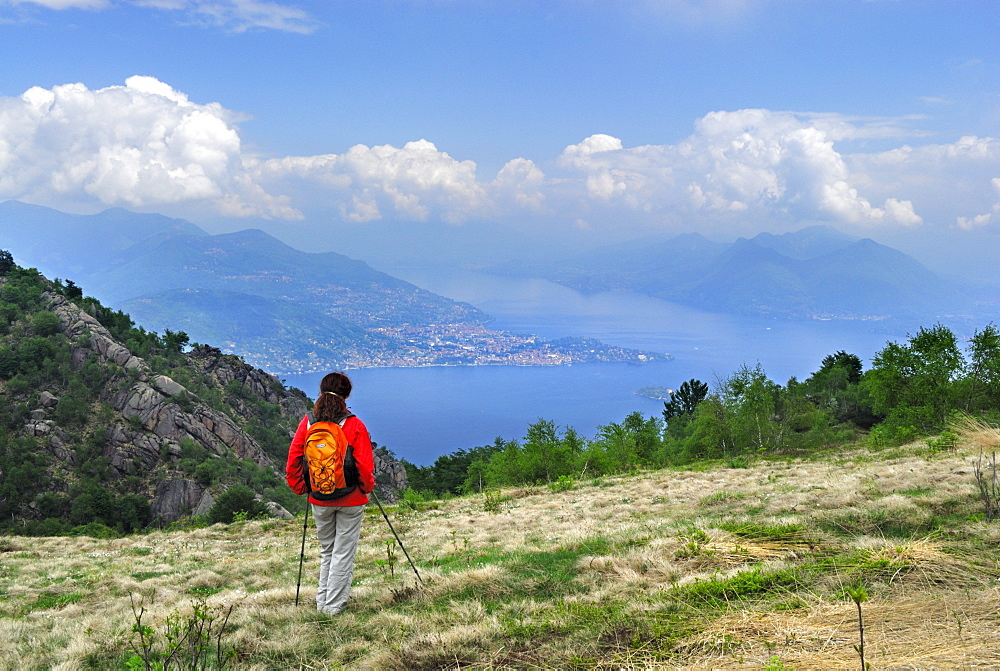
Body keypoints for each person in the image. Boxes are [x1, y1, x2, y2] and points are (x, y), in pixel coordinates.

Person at [285, 372, 375, 615]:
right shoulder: (354, 424)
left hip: (319, 497)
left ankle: (322, 602)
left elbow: (293, 459)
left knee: (327, 551)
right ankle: (333, 608)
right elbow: (365, 466)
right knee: (343, 553)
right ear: (346, 396)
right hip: (351, 498)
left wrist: (302, 488)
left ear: (321, 392)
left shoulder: (308, 423)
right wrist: (366, 488)